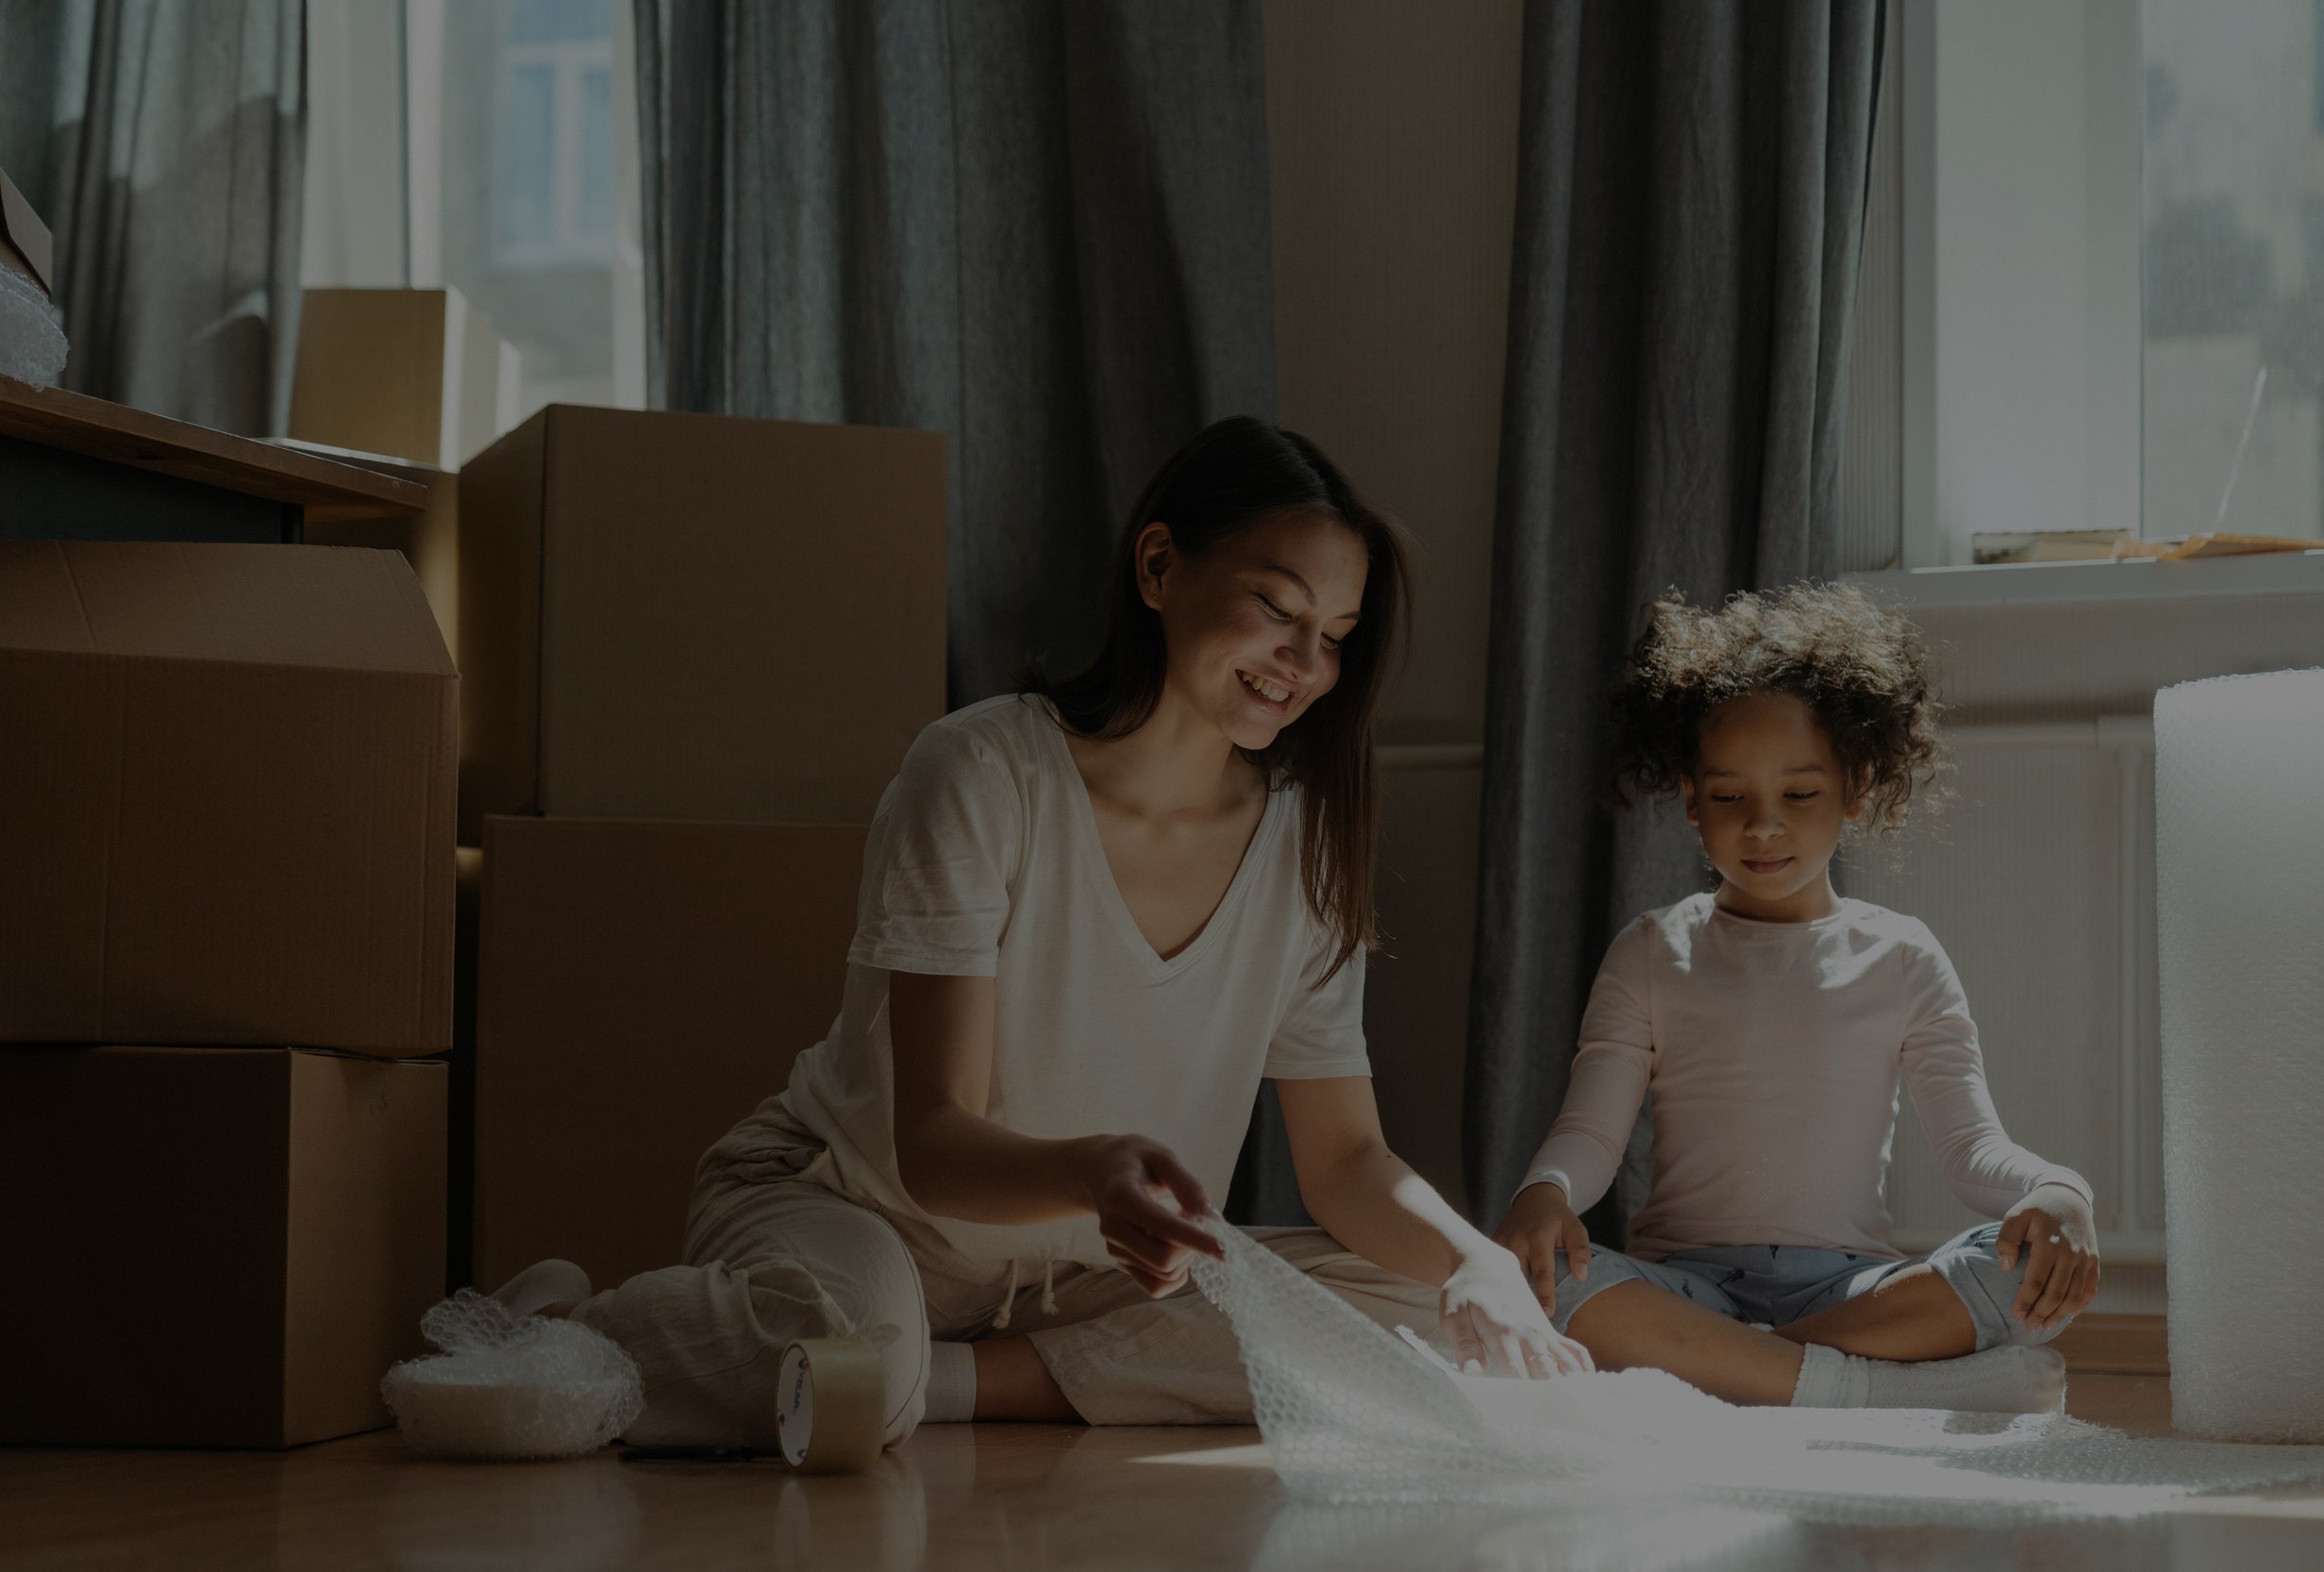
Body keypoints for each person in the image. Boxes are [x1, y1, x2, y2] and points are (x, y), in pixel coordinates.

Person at [499, 416, 1587, 1447]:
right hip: (858, 1207)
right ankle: (565, 1330)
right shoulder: (980, 773)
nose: (1303, 661)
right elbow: (931, 1137)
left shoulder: (1303, 848)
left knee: (1417, 1310)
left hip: (1081, 1276)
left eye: (1335, 637)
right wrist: (1094, 1171)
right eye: (1274, 606)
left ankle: (937, 1383)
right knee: (857, 1347)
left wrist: (1472, 1263)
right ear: (1158, 568)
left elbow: (1346, 1160)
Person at [1492, 583, 2099, 1413]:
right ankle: (1855, 1388)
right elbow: (1591, 1132)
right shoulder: (1649, 951)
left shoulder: (1903, 955)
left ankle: (1741, 1372)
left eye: (1800, 795)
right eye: (1732, 797)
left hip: (1851, 1298)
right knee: (1541, 1279)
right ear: (1693, 800)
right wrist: (1545, 1192)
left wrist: (2059, 1189)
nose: (1765, 827)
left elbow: (1972, 1150)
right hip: (1684, 1288)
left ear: (1854, 790)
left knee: (2018, 1265)